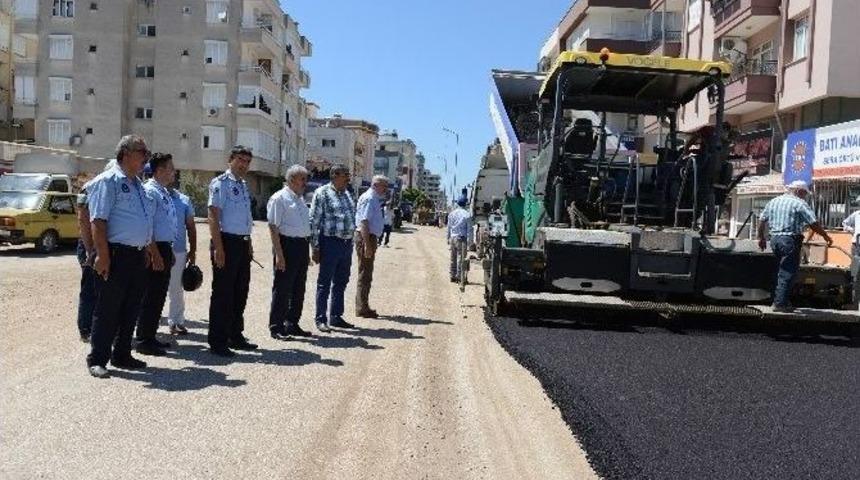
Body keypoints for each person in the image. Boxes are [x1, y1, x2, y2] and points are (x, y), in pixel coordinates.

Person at [85, 135, 154, 378]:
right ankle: (98, 358)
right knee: (108, 309)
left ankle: (122, 354)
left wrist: (144, 248)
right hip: (115, 254)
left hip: (136, 256)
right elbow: (98, 221)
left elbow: (140, 221)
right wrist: (102, 256)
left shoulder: (137, 184)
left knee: (131, 307)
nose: (146, 156)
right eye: (142, 151)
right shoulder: (109, 181)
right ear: (126, 153)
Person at [207, 145, 258, 357]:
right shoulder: (220, 183)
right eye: (240, 159)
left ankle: (235, 335)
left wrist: (249, 244)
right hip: (226, 242)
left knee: (240, 292)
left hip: (241, 243)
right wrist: (219, 248)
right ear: (230, 160)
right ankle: (218, 341)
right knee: (223, 294)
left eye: (247, 161)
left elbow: (245, 220)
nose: (243, 164)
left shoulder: (243, 185)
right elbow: (213, 216)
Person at [758, 180, 833, 312]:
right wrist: (826, 236)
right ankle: (780, 304)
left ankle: (779, 300)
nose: (805, 196)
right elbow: (813, 223)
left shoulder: (774, 201)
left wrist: (761, 238)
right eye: (804, 193)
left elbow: (762, 220)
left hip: (774, 239)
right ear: (799, 191)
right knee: (787, 272)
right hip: (789, 240)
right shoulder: (799, 203)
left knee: (779, 271)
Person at [134, 153, 177, 356]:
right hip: (155, 248)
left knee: (159, 295)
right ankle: (143, 339)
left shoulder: (163, 192)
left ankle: (150, 336)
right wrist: (155, 252)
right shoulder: (150, 191)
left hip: (164, 247)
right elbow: (147, 224)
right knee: (151, 295)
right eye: (170, 168)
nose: (173, 172)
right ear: (160, 170)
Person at [267, 165, 313, 340]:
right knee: (283, 287)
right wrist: (279, 254)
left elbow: (303, 228)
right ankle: (276, 326)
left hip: (300, 246)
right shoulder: (280, 198)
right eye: (302, 179)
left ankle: (292, 323)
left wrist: (306, 252)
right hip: (286, 245)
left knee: (298, 288)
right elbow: (273, 227)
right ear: (292, 179)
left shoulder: (299, 199)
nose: (305, 183)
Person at [309, 164, 356, 332]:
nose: (348, 178)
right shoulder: (322, 193)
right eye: (346, 175)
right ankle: (321, 318)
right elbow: (314, 221)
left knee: (341, 282)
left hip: (346, 244)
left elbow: (351, 218)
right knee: (325, 283)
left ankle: (336, 316)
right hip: (329, 243)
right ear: (335, 175)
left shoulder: (347, 194)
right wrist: (315, 246)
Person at [74, 160, 116, 343]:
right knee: (90, 288)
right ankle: (86, 329)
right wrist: (90, 249)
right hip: (90, 244)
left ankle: (102, 328)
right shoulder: (89, 188)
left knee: (105, 290)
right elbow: (83, 219)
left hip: (106, 244)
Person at [354, 175, 389, 318]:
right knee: (365, 273)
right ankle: (362, 307)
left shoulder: (373, 198)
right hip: (366, 237)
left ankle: (363, 305)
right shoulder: (369, 198)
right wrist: (367, 244)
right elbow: (364, 222)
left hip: (369, 237)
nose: (386, 189)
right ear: (376, 185)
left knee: (367, 273)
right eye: (384, 186)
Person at [166, 182, 197, 335]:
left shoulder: (184, 200)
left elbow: (191, 226)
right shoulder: (149, 194)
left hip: (178, 251)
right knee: (149, 289)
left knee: (176, 288)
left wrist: (193, 250)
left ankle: (176, 321)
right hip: (154, 250)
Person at [447, 196, 472, 283]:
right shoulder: (467, 214)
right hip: (461, 239)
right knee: (460, 258)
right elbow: (469, 230)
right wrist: (470, 242)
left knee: (452, 257)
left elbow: (449, 227)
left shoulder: (451, 214)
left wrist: (448, 238)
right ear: (465, 204)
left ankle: (452, 275)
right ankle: (459, 276)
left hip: (453, 238)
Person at [841, 196, 860, 308]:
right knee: (855, 273)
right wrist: (852, 230)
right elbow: (845, 223)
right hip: (856, 246)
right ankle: (854, 303)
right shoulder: (857, 214)